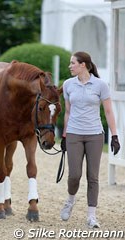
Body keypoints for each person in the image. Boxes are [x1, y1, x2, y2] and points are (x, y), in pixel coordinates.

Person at [60, 51, 120, 228]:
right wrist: (64, 135)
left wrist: (115, 136)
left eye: (72, 63)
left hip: (95, 135)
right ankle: (70, 200)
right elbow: (68, 112)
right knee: (74, 175)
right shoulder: (68, 84)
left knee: (93, 177)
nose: (70, 66)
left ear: (83, 65)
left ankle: (91, 216)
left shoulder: (101, 85)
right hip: (74, 134)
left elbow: (108, 111)